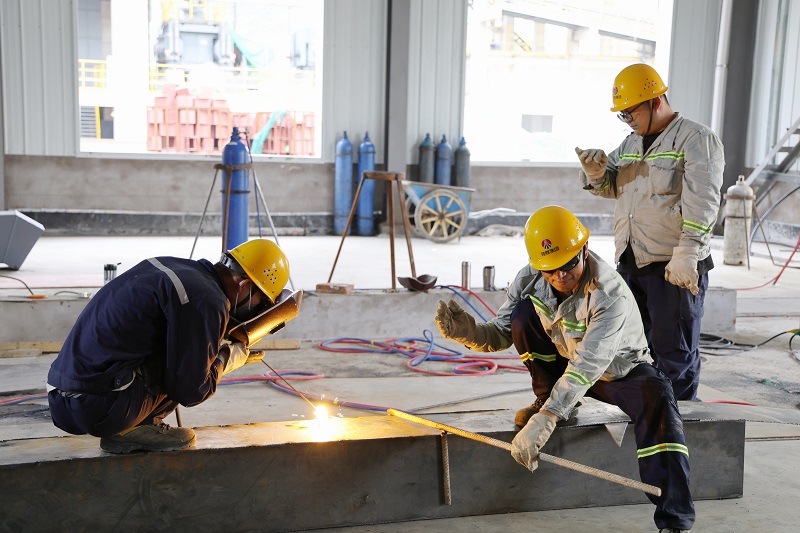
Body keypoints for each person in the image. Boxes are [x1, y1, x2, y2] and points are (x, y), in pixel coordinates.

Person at [435, 206, 694, 533]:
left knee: (656, 397)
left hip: (616, 371)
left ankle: (674, 520)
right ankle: (547, 399)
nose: (560, 276)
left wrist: (547, 419)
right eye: (550, 269)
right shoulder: (529, 278)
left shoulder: (608, 293)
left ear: (584, 250)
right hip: (569, 359)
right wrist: (469, 333)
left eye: (569, 264)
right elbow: (502, 332)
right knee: (523, 315)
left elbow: (587, 366)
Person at [47, 238, 291, 454]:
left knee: (182, 350)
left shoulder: (175, 268)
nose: (256, 309)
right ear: (245, 285)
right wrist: (226, 359)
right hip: (100, 408)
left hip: (63, 399)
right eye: (261, 302)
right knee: (188, 369)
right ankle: (132, 427)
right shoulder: (207, 300)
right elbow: (191, 390)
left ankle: (128, 427)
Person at [575, 63, 724, 401]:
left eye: (630, 113)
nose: (627, 120)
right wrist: (595, 173)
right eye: (622, 115)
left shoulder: (696, 138)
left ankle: (681, 419)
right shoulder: (630, 143)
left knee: (673, 351)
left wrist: (687, 254)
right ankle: (650, 413)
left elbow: (703, 202)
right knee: (634, 348)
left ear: (656, 101)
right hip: (632, 260)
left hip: (672, 266)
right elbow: (611, 186)